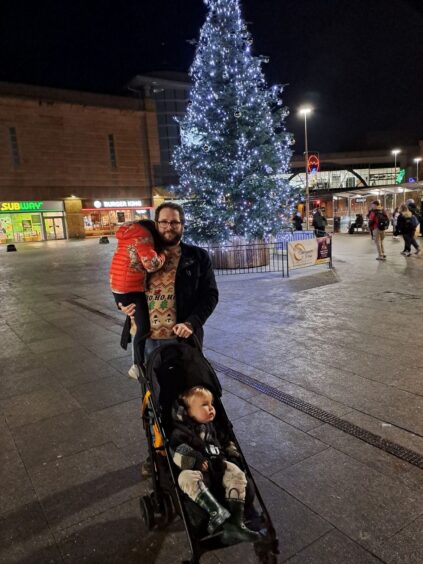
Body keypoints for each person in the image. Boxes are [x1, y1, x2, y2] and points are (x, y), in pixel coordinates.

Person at [119, 202, 219, 476]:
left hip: (183, 343)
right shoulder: (142, 255)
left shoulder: (196, 257)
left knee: (187, 396)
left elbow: (210, 295)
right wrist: (123, 306)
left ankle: (193, 445)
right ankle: (157, 454)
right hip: (148, 342)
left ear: (183, 225)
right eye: (163, 222)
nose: (169, 227)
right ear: (156, 223)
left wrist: (192, 322)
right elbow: (123, 283)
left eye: (174, 222)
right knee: (154, 401)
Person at [170, 386, 259, 544]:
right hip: (201, 475)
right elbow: (177, 453)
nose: (211, 408)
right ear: (188, 412)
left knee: (237, 473)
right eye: (204, 405)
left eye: (212, 404)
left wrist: (233, 454)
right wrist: (195, 460)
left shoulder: (213, 427)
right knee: (184, 478)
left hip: (218, 466)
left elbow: (226, 442)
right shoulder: (180, 432)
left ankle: (237, 522)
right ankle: (216, 511)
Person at [110, 220, 166, 377]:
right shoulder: (143, 237)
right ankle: (137, 365)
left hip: (119, 286)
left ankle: (138, 365)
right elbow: (152, 264)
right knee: (143, 328)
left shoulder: (128, 235)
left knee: (141, 325)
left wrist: (120, 303)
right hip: (131, 289)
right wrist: (163, 255)